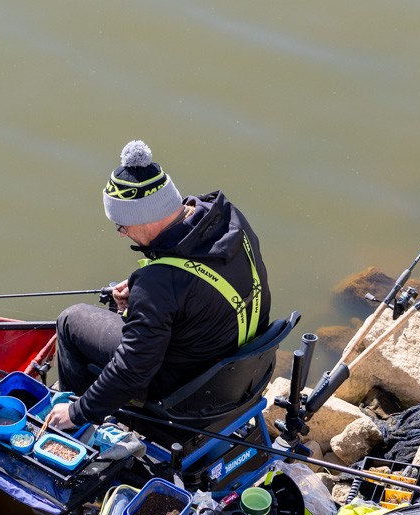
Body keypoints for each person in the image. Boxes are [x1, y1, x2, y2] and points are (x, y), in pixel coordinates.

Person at [46, 140, 271, 431]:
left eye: (122, 226)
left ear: (145, 218)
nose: (121, 234)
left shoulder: (160, 283)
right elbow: (192, 285)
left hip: (185, 392)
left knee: (71, 321)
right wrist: (146, 294)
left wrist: (79, 411)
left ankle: (73, 425)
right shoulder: (230, 221)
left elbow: (132, 371)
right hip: (235, 374)